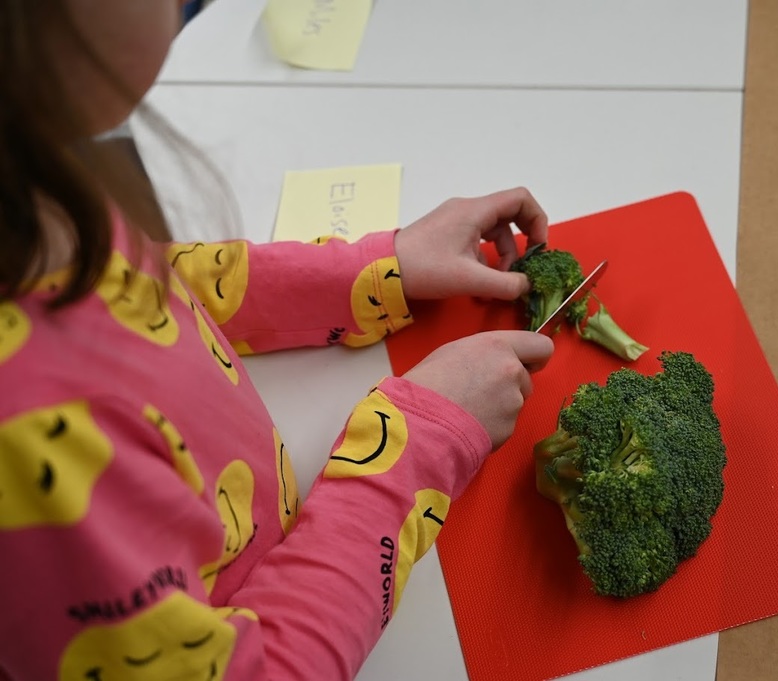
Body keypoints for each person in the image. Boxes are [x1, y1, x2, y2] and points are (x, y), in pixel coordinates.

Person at [0, 1, 554, 679]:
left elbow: (151, 283)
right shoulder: (29, 442)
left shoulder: (30, 186)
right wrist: (416, 445)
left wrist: (376, 272)